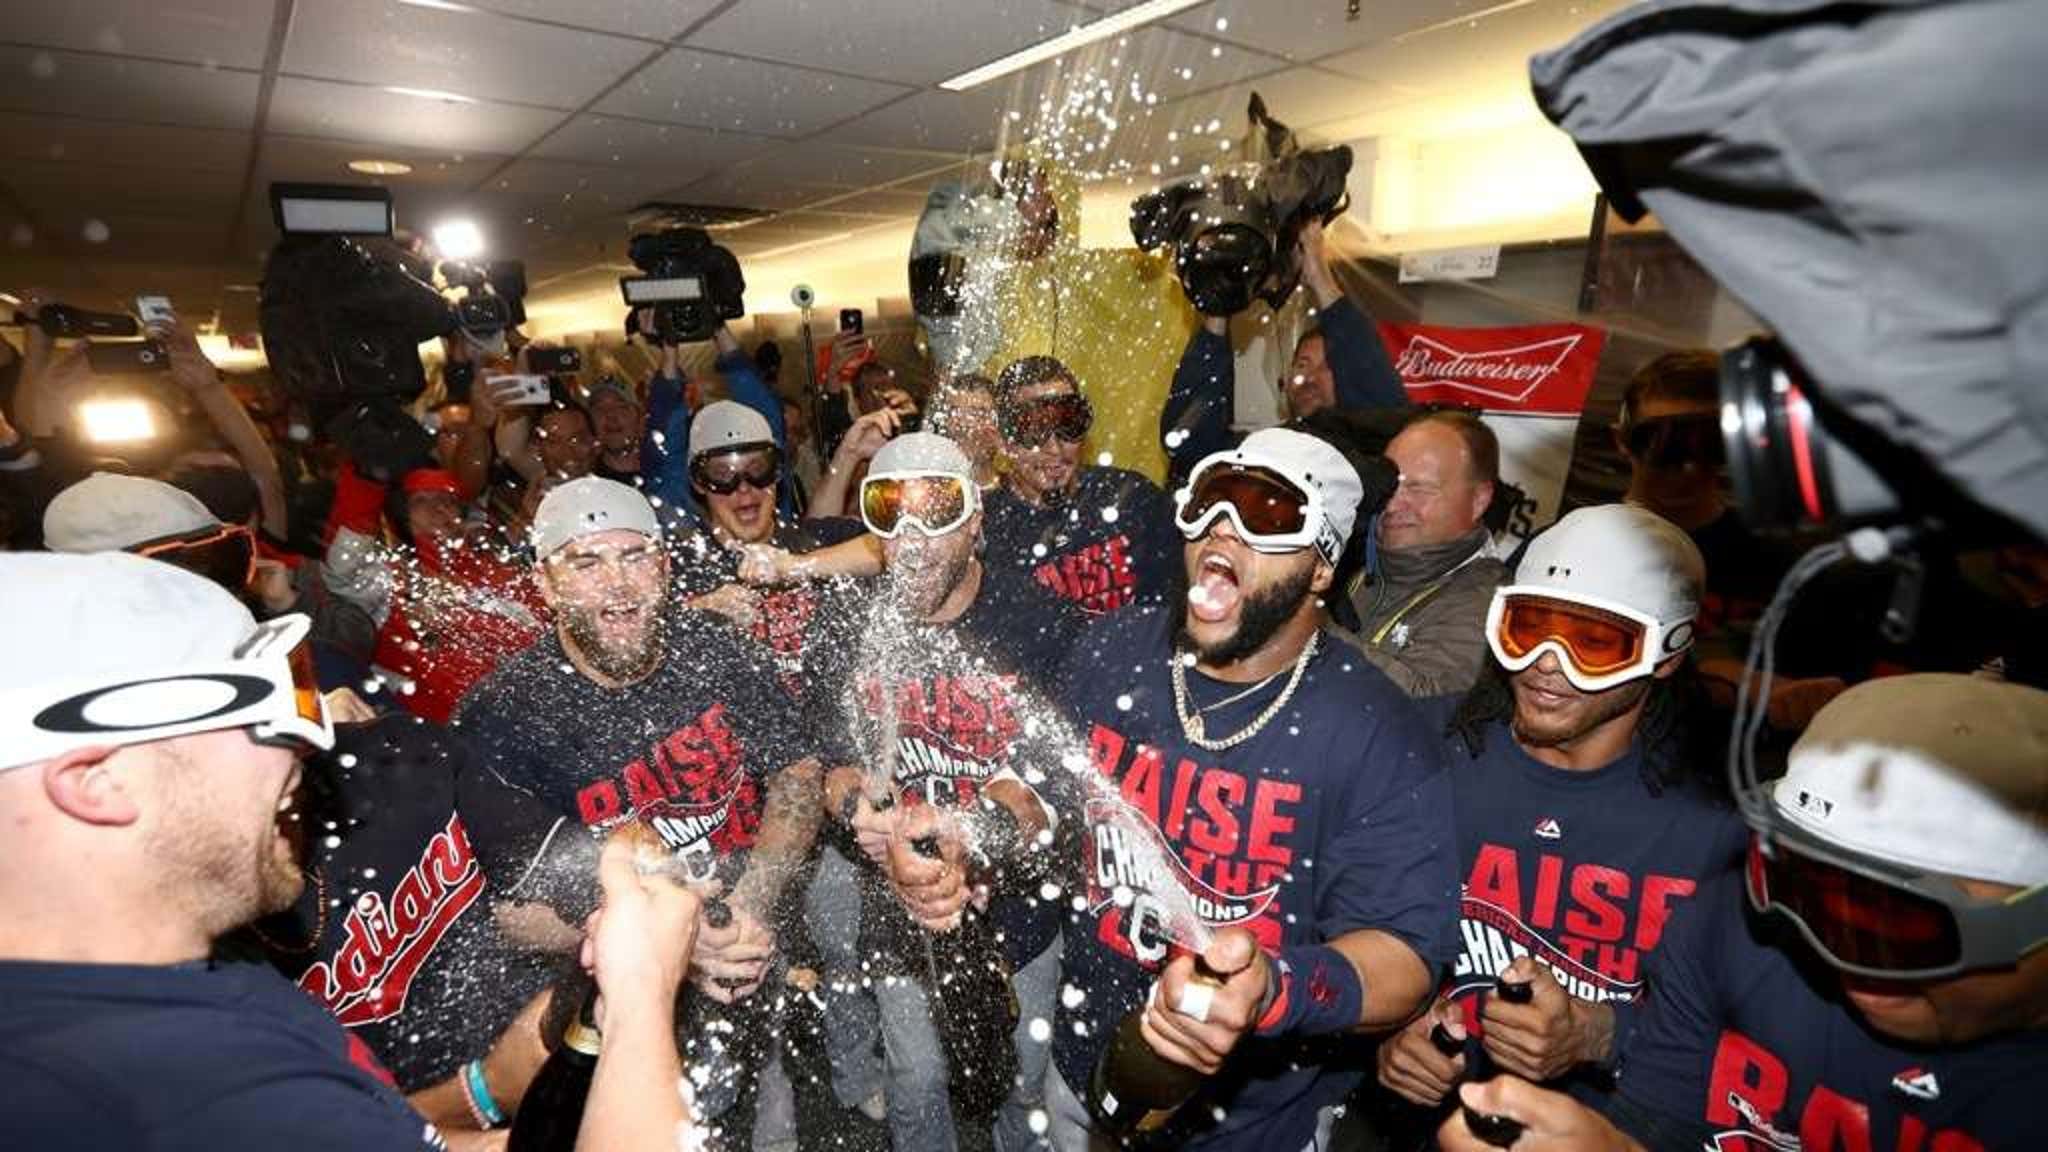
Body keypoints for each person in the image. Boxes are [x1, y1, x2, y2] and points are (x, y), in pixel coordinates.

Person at [0, 552, 701, 1150]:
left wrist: (485, 1099)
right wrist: (640, 994)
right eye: (269, 712)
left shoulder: (203, 1003)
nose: (309, 747)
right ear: (95, 782)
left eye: (301, 689)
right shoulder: (158, 1086)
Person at [1045, 427, 1461, 1151]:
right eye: (1209, 505)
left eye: (1268, 518)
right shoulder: (1114, 649)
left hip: (1247, 1122)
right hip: (1079, 1066)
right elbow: (1045, 781)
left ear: (1323, 568)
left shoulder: (1377, 733)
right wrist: (986, 823)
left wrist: (1274, 989)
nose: (1223, 532)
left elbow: (1405, 958)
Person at [1437, 673, 2048, 1152]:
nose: (1838, 952)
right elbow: (1658, 1122)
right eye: (1799, 885)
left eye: (1899, 926)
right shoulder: (1728, 928)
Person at [453, 476, 828, 1150]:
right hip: (614, 1004)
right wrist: (670, 947)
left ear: (663, 565)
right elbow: (507, 914)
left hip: (751, 938)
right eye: (586, 563)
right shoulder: (503, 717)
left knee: (770, 1112)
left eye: (633, 557)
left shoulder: (716, 650)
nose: (617, 585)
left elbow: (798, 770)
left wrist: (754, 901)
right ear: (545, 582)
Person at [1371, 504, 1744, 1135]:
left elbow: (1772, 1060)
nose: (1547, 662)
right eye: (1531, 627)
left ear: (1668, 653)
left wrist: (1606, 1035)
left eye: (1594, 642)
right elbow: (1347, 927)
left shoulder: (1721, 823)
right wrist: (1389, 1026)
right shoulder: (1423, 754)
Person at [823, 433, 1086, 1152]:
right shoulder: (848, 625)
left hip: (1020, 908)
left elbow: (1056, 787)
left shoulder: (1042, 624)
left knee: (1024, 1081)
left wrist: (973, 834)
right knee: (914, 1079)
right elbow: (828, 764)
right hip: (894, 902)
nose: (912, 538)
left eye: (936, 512)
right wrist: (858, 811)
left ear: (977, 521)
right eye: (890, 513)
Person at [1162, 219, 1406, 476]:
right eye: (1302, 365)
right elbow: (1186, 442)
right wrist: (1219, 305)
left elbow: (1385, 411)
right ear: (1285, 383)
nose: (1310, 378)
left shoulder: (1364, 459)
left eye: (1329, 366)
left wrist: (1319, 278)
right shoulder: (1262, 452)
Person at [982, 355, 1182, 617]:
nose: (1054, 449)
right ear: (1001, 442)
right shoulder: (984, 531)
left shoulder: (1134, 499)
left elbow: (1171, 614)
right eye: (1033, 430)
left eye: (1068, 426)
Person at [1344, 410, 1509, 697]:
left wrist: (1308, 628)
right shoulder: (1355, 555)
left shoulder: (1489, 605)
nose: (1393, 505)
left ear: (1479, 500)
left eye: (1419, 489)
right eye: (1389, 484)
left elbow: (1427, 701)